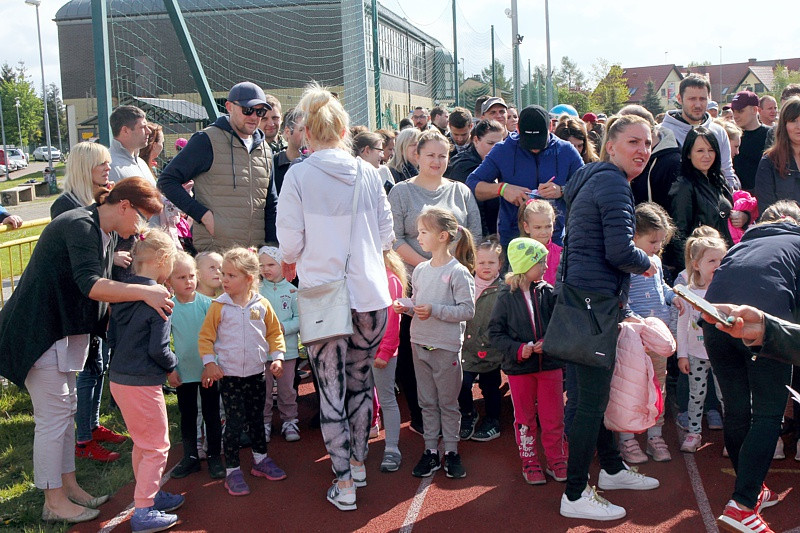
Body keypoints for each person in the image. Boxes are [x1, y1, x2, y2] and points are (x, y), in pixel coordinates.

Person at [0, 177, 173, 524]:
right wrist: (146, 293)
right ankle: (53, 501)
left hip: (60, 334)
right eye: (140, 216)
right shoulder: (81, 225)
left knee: (65, 413)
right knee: (53, 418)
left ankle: (68, 487)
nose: (140, 227)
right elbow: (91, 285)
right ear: (124, 205)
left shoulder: (101, 231)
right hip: (38, 333)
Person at [276, 83, 394, 511]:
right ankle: (358, 464)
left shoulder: (298, 175)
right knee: (361, 383)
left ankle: (344, 481)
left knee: (330, 388)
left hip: (325, 294)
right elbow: (386, 235)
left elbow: (288, 246)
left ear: (306, 129)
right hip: (369, 294)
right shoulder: (368, 172)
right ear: (343, 128)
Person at [556, 115, 660, 522]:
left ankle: (612, 469)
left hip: (582, 298)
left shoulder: (589, 177)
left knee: (588, 398)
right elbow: (620, 251)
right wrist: (647, 262)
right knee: (589, 401)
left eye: (648, 144)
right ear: (611, 145)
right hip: (593, 302)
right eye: (634, 141)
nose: (642, 150)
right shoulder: (614, 182)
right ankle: (576, 492)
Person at [703, 200, 800, 533]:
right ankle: (743, 504)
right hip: (764, 322)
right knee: (769, 413)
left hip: (716, 319)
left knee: (736, 409)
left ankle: (751, 490)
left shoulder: (741, 244)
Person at [389, 130, 482, 437]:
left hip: (454, 283)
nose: (437, 161)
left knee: (455, 349)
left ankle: (461, 411)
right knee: (415, 348)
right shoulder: (402, 192)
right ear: (417, 156)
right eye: (430, 155)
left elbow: (474, 236)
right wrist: (427, 267)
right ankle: (421, 414)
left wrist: (454, 270)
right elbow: (394, 237)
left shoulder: (460, 191)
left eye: (443, 155)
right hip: (414, 282)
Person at [51, 142, 127, 464]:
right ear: (85, 167)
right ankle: (82, 440)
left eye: (109, 163)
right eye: (102, 164)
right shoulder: (66, 205)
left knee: (97, 365)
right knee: (84, 369)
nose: (108, 170)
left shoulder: (96, 199)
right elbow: (81, 262)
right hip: (79, 303)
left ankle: (91, 425)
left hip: (94, 302)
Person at [107, 227, 184, 533]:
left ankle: (147, 493)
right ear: (163, 260)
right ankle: (143, 510)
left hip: (119, 377)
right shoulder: (160, 297)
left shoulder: (123, 291)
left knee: (143, 442)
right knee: (156, 446)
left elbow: (112, 335)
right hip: (141, 382)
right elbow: (159, 348)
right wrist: (173, 366)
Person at [393, 207, 475, 480]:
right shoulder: (420, 270)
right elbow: (419, 304)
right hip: (419, 343)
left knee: (448, 402)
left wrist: (435, 309)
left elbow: (467, 311)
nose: (418, 237)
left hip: (446, 346)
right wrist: (406, 307)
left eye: (424, 232)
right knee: (426, 401)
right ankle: (430, 451)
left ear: (442, 236)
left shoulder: (458, 272)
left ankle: (451, 451)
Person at [199, 248, 287, 497]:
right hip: (230, 377)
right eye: (223, 274)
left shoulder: (262, 304)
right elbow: (206, 337)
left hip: (257, 374)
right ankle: (233, 471)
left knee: (258, 418)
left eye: (231, 275)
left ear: (249, 278)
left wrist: (277, 357)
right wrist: (210, 363)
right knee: (235, 423)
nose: (224, 279)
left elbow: (274, 334)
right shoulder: (219, 306)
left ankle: (261, 460)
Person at [159, 81, 278, 251]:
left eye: (260, 111)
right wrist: (203, 216)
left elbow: (271, 202)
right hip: (215, 253)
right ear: (229, 107)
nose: (254, 117)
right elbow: (167, 180)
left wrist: (272, 247)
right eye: (247, 110)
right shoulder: (206, 140)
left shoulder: (265, 148)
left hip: (252, 255)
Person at [489, 237, 566, 485]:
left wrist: (550, 342)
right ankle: (530, 461)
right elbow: (495, 333)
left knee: (554, 417)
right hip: (520, 370)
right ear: (525, 265)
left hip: (550, 366)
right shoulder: (505, 297)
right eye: (540, 262)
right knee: (525, 419)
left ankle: (557, 460)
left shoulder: (548, 292)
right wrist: (519, 349)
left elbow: (559, 325)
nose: (545, 266)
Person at [467, 104, 583, 248]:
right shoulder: (503, 150)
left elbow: (587, 187)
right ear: (518, 129)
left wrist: (563, 190)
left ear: (551, 127)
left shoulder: (566, 151)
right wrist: (502, 189)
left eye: (540, 141)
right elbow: (472, 185)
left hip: (553, 240)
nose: (535, 148)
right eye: (528, 142)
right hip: (514, 240)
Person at [617, 202, 679, 464]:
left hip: (657, 339)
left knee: (658, 389)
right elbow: (622, 296)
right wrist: (634, 318)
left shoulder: (654, 259)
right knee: (630, 389)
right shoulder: (626, 264)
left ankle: (655, 436)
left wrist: (671, 295)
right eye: (653, 241)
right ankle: (627, 440)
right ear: (634, 236)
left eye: (660, 241)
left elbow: (660, 284)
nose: (657, 247)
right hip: (635, 339)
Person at [166, 252, 224, 480]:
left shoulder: (208, 305)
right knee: (188, 416)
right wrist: (170, 369)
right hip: (183, 374)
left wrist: (211, 365)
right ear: (169, 281)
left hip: (207, 371)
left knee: (211, 414)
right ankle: (190, 456)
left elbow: (219, 338)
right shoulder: (168, 308)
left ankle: (214, 457)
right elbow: (163, 342)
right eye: (181, 277)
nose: (188, 281)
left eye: (191, 276)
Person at [675, 227, 727, 455]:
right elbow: (682, 324)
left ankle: (732, 436)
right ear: (696, 264)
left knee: (726, 395)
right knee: (697, 395)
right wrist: (682, 354)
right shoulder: (689, 292)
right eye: (712, 260)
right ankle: (694, 432)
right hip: (697, 354)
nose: (718, 265)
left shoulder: (727, 290)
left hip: (722, 354)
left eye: (722, 259)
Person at [667, 127, 735, 272]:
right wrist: (691, 272)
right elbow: (679, 234)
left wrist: (744, 217)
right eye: (700, 151)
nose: (707, 156)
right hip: (702, 268)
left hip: (724, 260)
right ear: (689, 154)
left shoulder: (718, 180)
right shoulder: (683, 186)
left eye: (711, 150)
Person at [458, 237, 504, 442]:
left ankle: (493, 420)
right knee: (462, 383)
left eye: (491, 263)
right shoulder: (465, 282)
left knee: (491, 387)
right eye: (481, 262)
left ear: (500, 265)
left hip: (491, 350)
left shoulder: (504, 290)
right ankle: (468, 414)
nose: (486, 267)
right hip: (466, 348)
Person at [660, 74, 739, 190]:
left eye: (702, 99)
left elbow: (726, 172)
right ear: (679, 99)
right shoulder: (662, 133)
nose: (698, 105)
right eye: (692, 99)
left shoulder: (718, 132)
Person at [257, 246, 301, 443]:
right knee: (263, 390)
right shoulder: (256, 291)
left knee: (286, 389)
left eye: (271, 264)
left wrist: (284, 327)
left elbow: (301, 319)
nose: (266, 269)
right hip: (261, 352)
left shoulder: (293, 291)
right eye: (261, 265)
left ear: (282, 265)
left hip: (287, 351)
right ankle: (264, 422)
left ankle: (290, 420)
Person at [373, 249, 407, 473]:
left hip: (381, 354)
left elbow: (393, 321)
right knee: (362, 398)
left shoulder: (390, 279)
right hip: (362, 352)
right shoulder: (362, 277)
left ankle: (392, 448)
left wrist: (385, 351)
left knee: (387, 399)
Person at [446, 119, 505, 235]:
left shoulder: (495, 163)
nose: (496, 148)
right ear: (476, 140)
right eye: (490, 143)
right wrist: (486, 240)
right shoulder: (464, 167)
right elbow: (474, 210)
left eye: (500, 144)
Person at [754, 96, 800, 210]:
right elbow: (766, 210)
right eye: (793, 120)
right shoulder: (769, 162)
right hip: (782, 226)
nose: (799, 126)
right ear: (784, 125)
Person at [731, 91, 772, 192]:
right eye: (733, 111)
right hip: (736, 196)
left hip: (763, 194)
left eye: (740, 111)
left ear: (754, 110)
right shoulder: (730, 135)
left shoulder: (770, 135)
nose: (735, 116)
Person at [517, 199, 561, 287]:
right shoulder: (519, 252)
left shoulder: (560, 253)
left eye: (548, 226)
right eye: (538, 227)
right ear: (526, 227)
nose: (543, 232)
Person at [108, 105, 153, 184]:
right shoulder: (109, 166)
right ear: (125, 130)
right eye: (143, 127)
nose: (149, 131)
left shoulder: (141, 162)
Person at [272, 107, 305, 195]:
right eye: (301, 130)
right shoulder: (273, 164)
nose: (307, 135)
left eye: (309, 129)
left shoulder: (314, 163)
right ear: (287, 131)